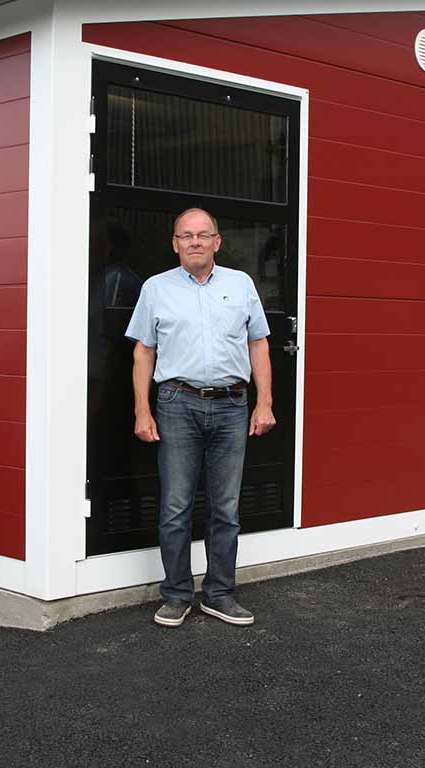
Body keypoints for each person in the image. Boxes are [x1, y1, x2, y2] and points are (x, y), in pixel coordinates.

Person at [125, 207, 276, 628]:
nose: (195, 241)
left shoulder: (241, 284)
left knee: (226, 507)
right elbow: (143, 351)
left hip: (232, 405)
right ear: (175, 243)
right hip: (177, 403)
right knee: (176, 506)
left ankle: (220, 593)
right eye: (186, 235)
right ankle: (176, 595)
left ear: (217, 242)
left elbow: (259, 344)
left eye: (203, 234)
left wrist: (264, 402)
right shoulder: (156, 288)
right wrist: (142, 409)